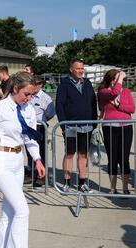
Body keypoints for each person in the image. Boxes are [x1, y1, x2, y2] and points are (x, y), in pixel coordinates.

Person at [0, 71, 45, 248]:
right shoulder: (0, 108)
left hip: (17, 161)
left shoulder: (28, 109)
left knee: (9, 211)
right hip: (1, 160)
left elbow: (29, 137)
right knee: (23, 210)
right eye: (26, 94)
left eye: (32, 94)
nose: (29, 98)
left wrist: (37, 159)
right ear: (15, 89)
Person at [56, 58, 98, 192]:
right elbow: (59, 106)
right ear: (71, 69)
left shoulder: (87, 83)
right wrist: (63, 126)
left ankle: (82, 183)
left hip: (87, 126)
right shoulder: (64, 85)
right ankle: (67, 182)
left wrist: (94, 121)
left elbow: (93, 102)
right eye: (78, 68)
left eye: (82, 68)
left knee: (83, 154)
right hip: (70, 126)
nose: (80, 71)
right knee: (69, 154)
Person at [98, 70, 135, 195]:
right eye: (114, 78)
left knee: (124, 158)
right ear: (109, 80)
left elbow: (132, 108)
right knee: (112, 158)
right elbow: (114, 94)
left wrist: (120, 106)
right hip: (110, 127)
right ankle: (113, 188)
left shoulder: (126, 92)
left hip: (126, 127)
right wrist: (120, 78)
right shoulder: (104, 92)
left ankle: (125, 188)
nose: (116, 81)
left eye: (117, 78)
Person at [24, 75, 55, 186]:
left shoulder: (46, 98)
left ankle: (41, 175)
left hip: (40, 126)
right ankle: (31, 174)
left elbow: (51, 113)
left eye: (36, 84)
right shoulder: (29, 96)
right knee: (29, 151)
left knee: (41, 151)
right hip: (29, 127)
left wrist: (43, 119)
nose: (34, 86)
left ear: (41, 85)